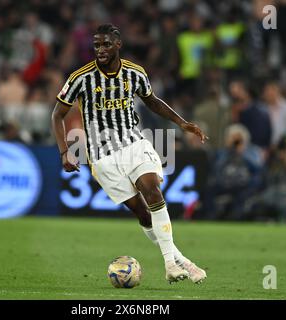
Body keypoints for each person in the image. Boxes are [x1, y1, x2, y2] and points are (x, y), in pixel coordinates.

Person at [52, 24, 208, 284]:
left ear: (118, 45)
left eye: (105, 44)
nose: (100, 50)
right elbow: (57, 114)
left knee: (152, 189)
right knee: (143, 214)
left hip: (134, 144)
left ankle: (170, 263)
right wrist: (64, 152)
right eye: (97, 45)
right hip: (102, 157)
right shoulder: (81, 77)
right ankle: (182, 260)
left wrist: (181, 123)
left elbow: (152, 101)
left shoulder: (135, 73)